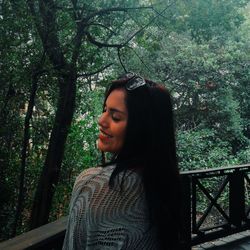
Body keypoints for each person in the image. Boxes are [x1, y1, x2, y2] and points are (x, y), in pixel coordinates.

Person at [62, 72, 181, 250]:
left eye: (115, 117)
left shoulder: (93, 185)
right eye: (105, 110)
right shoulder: (166, 181)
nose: (101, 121)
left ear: (142, 128)